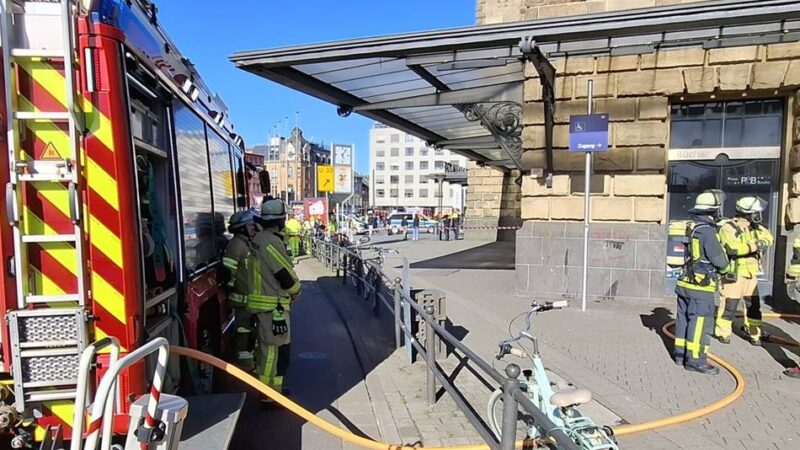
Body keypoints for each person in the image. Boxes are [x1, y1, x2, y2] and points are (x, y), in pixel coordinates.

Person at [237, 199, 302, 404]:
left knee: (271, 350)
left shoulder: (260, 239)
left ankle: (274, 390)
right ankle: (269, 394)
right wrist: (297, 291)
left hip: (266, 305)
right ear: (280, 220)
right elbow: (283, 273)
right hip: (272, 307)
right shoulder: (270, 241)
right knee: (273, 352)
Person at [674, 190, 730, 375]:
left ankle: (680, 354)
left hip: (685, 284)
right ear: (713, 211)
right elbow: (719, 260)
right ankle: (696, 360)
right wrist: (726, 270)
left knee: (683, 320)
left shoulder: (692, 228)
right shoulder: (708, 232)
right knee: (700, 324)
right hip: (701, 287)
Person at [714, 196, 774, 346]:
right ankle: (723, 333)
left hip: (750, 274)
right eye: (756, 212)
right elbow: (733, 248)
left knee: (753, 306)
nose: (759, 215)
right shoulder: (729, 227)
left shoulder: (756, 228)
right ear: (748, 213)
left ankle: (754, 334)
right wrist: (755, 246)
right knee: (729, 305)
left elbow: (768, 237)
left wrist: (761, 243)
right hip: (734, 274)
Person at [221, 210, 258, 371]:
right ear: (242, 228)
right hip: (242, 300)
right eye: (250, 225)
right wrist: (231, 286)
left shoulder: (246, 243)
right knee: (244, 333)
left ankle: (249, 361)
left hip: (249, 300)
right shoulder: (237, 245)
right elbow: (228, 271)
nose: (253, 227)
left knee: (250, 333)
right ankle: (245, 366)